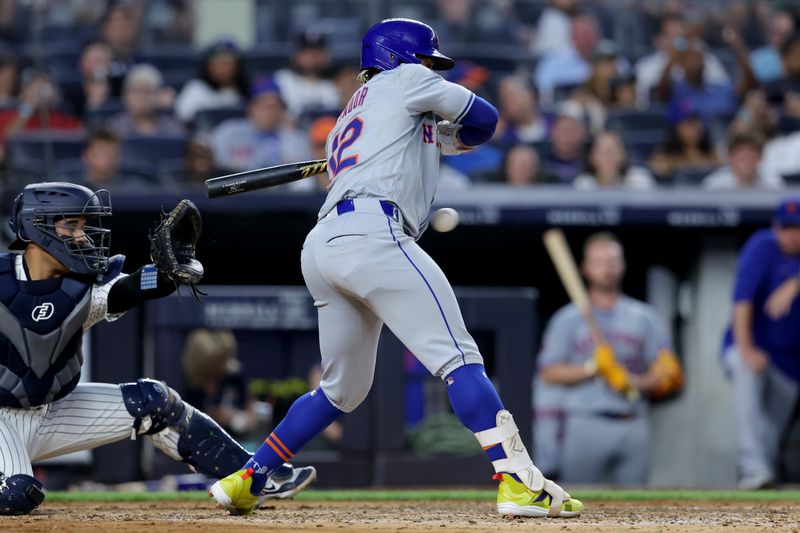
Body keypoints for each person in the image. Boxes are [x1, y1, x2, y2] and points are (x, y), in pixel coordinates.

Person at [210, 18, 583, 519]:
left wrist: (446, 132)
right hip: (373, 231)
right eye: (427, 61)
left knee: (341, 390)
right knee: (458, 357)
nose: (432, 70)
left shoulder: (351, 115)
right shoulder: (406, 82)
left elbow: (462, 135)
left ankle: (248, 479)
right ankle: (517, 479)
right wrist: (449, 122)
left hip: (323, 246)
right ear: (399, 58)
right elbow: (487, 117)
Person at [0, 182, 314, 515]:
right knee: (18, 494)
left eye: (83, 226)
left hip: (49, 413)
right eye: (71, 225)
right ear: (38, 226)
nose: (83, 236)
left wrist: (165, 275)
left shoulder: (82, 288)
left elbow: (130, 288)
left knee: (153, 403)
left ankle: (258, 477)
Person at [536, 232, 683, 484]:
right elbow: (548, 373)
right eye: (599, 262)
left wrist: (634, 382)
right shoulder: (567, 318)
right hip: (584, 422)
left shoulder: (644, 317)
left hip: (633, 420)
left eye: (612, 261)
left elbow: (668, 374)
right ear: (585, 269)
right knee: (577, 506)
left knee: (635, 510)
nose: (606, 268)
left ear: (623, 266)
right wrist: (593, 368)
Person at [722, 197, 800, 489]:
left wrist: (795, 282)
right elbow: (741, 302)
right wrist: (746, 349)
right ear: (775, 227)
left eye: (798, 228)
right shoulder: (763, 245)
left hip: (790, 364)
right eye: (787, 227)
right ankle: (752, 467)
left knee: (771, 434)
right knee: (745, 374)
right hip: (749, 346)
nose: (793, 234)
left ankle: (758, 475)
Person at [209, 77, 310, 172]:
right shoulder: (228, 132)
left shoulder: (295, 139)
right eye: (264, 106)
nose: (270, 112)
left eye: (275, 106)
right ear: (251, 108)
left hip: (281, 190)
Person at [174, 39, 250, 124]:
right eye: (217, 63)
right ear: (208, 66)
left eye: (226, 63)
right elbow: (185, 120)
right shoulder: (196, 89)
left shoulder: (249, 91)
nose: (221, 69)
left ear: (237, 65)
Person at [273, 29, 340, 118]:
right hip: (293, 131)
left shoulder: (338, 81)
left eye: (318, 51)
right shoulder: (281, 79)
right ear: (296, 55)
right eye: (307, 52)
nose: (313, 57)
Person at [107, 64, 184, 138]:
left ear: (157, 96)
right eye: (136, 91)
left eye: (147, 92)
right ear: (125, 95)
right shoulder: (114, 129)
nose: (141, 98)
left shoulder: (172, 130)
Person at [573, 131, 655, 190]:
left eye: (613, 152)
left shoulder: (640, 180)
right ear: (591, 158)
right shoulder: (583, 184)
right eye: (603, 152)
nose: (608, 158)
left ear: (623, 156)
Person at [703, 132, 783, 190]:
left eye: (750, 153)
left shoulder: (773, 183)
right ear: (730, 158)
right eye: (740, 154)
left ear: (760, 157)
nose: (745, 159)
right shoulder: (714, 184)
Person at [62, 39, 114, 119]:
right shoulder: (69, 95)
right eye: (94, 60)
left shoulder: (121, 89)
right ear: (81, 63)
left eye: (102, 60)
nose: (98, 65)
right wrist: (93, 104)